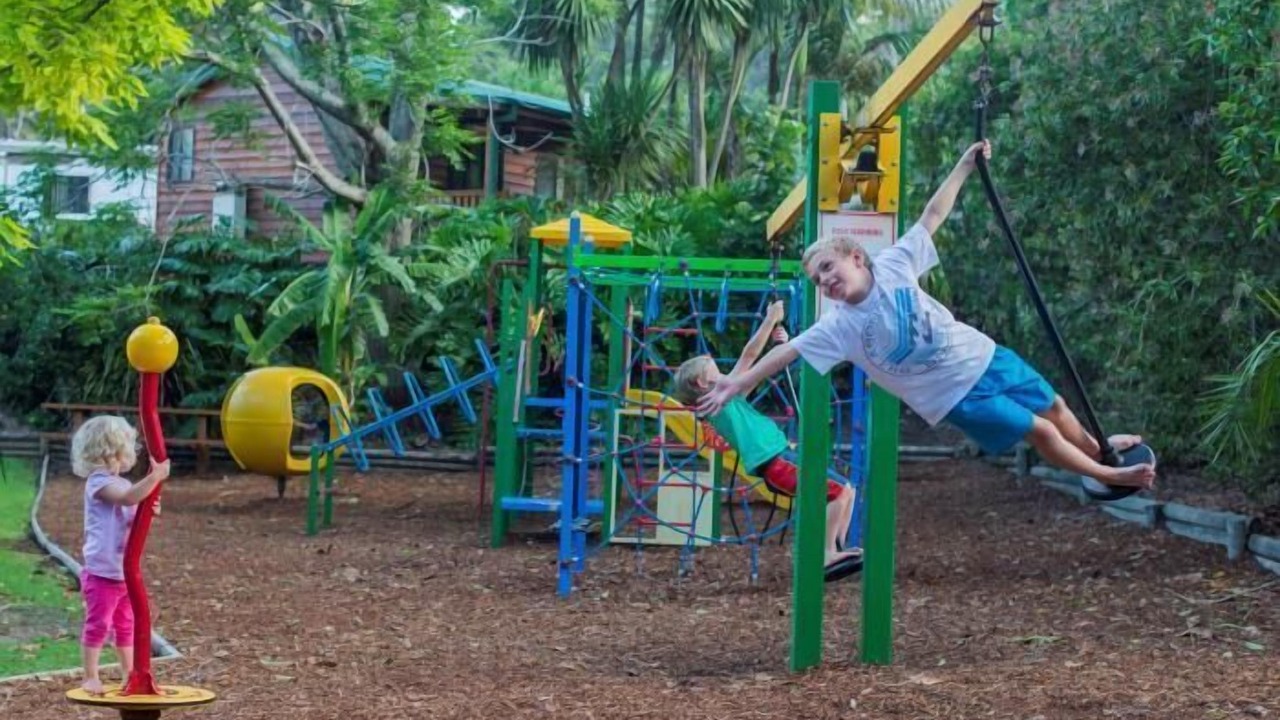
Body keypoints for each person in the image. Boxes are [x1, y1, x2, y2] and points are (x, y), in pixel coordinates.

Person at [698, 141, 1155, 491]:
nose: (825, 282)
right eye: (818, 281)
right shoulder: (837, 326)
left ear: (856, 258)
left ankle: (1098, 451)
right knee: (1037, 429)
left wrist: (964, 166)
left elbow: (933, 214)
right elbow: (785, 355)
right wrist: (735, 384)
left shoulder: (895, 263)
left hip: (985, 355)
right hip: (955, 395)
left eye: (828, 269)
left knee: (1052, 404)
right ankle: (1105, 477)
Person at [673, 300, 860, 574]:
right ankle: (825, 555)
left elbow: (758, 366)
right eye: (713, 367)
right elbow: (749, 357)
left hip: (781, 457)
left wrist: (781, 347)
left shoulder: (729, 397)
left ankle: (837, 550)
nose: (723, 371)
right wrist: (771, 318)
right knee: (839, 493)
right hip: (775, 463)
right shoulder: (717, 400)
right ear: (703, 383)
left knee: (848, 489)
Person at [71, 415, 170, 695]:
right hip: (102, 572)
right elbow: (127, 499)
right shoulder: (98, 482)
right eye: (128, 445)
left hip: (124, 571)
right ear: (113, 449)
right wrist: (155, 477)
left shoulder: (123, 483)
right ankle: (90, 676)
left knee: (126, 625)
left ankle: (130, 672)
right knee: (99, 623)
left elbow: (133, 508)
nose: (133, 450)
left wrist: (150, 507)